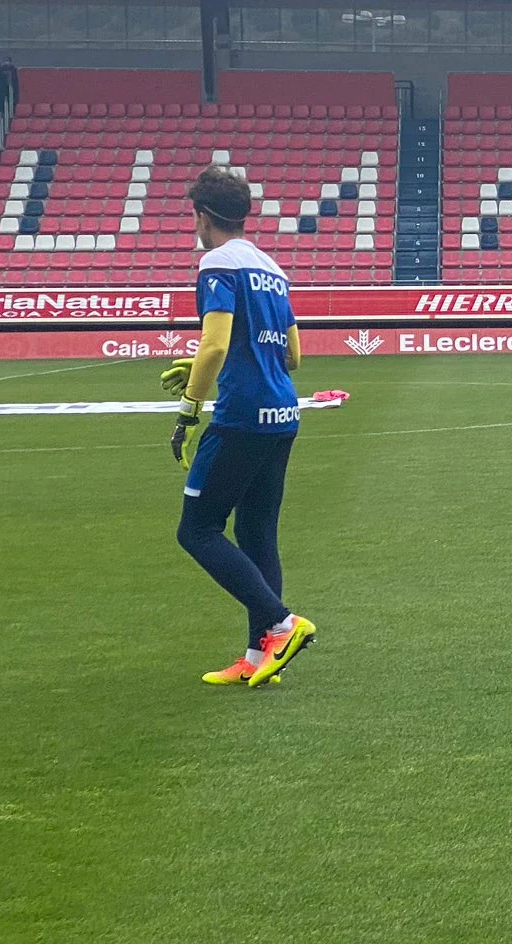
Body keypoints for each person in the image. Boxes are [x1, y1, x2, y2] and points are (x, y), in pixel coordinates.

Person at [164, 165, 316, 688]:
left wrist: (189, 406)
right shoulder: (271, 268)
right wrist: (211, 364)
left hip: (243, 415)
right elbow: (293, 355)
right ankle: (258, 658)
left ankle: (283, 624)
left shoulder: (217, 265)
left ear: (203, 215)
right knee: (256, 534)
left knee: (197, 528)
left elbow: (216, 343)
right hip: (282, 414)